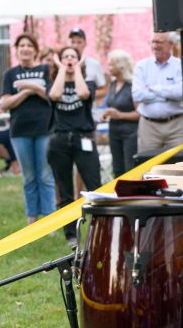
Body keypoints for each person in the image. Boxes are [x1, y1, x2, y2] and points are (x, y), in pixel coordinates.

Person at [47, 46, 102, 245]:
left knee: (94, 185)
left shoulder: (87, 82)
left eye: (73, 56)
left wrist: (77, 68)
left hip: (83, 138)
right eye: (65, 56)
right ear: (59, 61)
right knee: (65, 190)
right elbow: (54, 96)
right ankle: (71, 234)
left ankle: (100, 230)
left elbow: (83, 94)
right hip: (60, 140)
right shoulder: (53, 83)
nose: (69, 59)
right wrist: (62, 69)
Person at [1, 34, 56, 224]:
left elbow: (51, 95)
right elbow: (5, 103)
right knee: (29, 177)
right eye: (21, 45)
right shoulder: (10, 74)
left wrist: (30, 85)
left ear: (35, 49)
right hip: (19, 131)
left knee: (46, 175)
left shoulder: (45, 70)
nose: (25, 48)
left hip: (45, 129)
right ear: (16, 50)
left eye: (29, 45)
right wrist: (27, 91)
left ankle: (49, 221)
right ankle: (32, 220)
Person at [133, 32, 183, 152]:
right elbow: (137, 95)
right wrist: (168, 95)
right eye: (153, 42)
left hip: (176, 126)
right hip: (149, 126)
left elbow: (180, 93)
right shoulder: (141, 66)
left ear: (170, 44)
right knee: (147, 165)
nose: (155, 45)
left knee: (180, 164)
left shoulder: (180, 65)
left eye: (159, 42)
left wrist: (153, 89)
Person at [101, 50, 140, 177]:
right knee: (117, 169)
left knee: (130, 168)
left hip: (130, 134)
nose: (109, 68)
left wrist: (120, 115)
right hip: (114, 132)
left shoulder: (132, 85)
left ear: (121, 66)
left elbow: (140, 113)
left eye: (111, 64)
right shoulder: (112, 84)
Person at [68, 28, 107, 103]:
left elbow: (104, 90)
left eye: (79, 42)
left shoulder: (94, 64)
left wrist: (87, 95)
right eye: (73, 42)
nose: (75, 45)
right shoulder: (62, 65)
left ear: (85, 43)